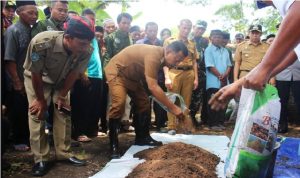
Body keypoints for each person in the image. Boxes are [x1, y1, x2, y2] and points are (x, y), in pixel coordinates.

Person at [23, 16, 95, 176]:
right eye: (82, 43)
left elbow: (75, 72)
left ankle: (64, 153)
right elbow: (35, 73)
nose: (86, 47)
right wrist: (41, 100)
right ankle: (41, 158)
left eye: (88, 43)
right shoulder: (42, 42)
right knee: (37, 114)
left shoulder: (86, 49)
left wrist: (62, 96)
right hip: (38, 79)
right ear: (68, 38)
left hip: (62, 80)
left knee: (63, 112)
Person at [209, 0, 300, 112]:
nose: (274, 7)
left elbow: (298, 11)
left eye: (266, 3)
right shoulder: (242, 46)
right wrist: (239, 82)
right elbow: (292, 54)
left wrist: (264, 69)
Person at [105, 41, 188, 158]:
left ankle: (142, 137)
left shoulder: (162, 59)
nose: (177, 63)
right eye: (177, 59)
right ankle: (113, 144)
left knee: (144, 102)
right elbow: (153, 86)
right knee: (119, 104)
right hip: (118, 72)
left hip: (133, 77)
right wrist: (173, 108)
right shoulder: (154, 55)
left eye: (180, 61)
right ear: (168, 51)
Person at [4, 0, 38, 152]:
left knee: (28, 109)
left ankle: (28, 137)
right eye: (30, 13)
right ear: (18, 12)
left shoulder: (32, 30)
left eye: (36, 13)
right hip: (16, 79)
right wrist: (17, 82)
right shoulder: (13, 31)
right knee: (17, 110)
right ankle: (18, 140)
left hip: (30, 78)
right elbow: (9, 59)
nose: (34, 16)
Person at [71, 8, 104, 142]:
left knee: (95, 105)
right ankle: (80, 132)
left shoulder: (94, 37)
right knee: (82, 105)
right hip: (85, 74)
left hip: (98, 75)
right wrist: (82, 73)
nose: (92, 22)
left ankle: (92, 130)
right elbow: (75, 57)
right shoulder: (80, 35)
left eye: (93, 19)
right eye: (89, 19)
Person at [164, 19, 198, 133]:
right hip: (174, 72)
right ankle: (172, 126)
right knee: (172, 99)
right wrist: (167, 77)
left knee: (186, 101)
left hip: (189, 73)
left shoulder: (192, 43)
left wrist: (196, 78)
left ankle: (183, 126)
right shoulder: (169, 41)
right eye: (184, 27)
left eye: (188, 28)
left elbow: (194, 62)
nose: (186, 30)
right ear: (179, 27)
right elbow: (164, 60)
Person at [136, 22, 167, 132]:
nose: (153, 33)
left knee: (160, 101)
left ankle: (160, 124)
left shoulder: (162, 43)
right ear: (146, 30)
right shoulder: (139, 43)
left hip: (159, 77)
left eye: (155, 31)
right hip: (143, 78)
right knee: (144, 101)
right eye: (150, 30)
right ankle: (145, 125)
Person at [205, 30, 232, 131]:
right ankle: (213, 123)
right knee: (214, 102)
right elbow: (210, 66)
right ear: (211, 38)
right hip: (213, 82)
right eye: (215, 36)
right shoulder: (209, 50)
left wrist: (225, 75)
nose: (218, 38)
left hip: (225, 82)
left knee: (223, 102)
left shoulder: (225, 50)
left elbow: (229, 65)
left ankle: (220, 122)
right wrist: (220, 76)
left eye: (220, 37)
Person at [189, 20, 209, 127]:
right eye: (199, 28)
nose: (200, 31)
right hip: (187, 71)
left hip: (201, 73)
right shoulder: (186, 38)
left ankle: (192, 117)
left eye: (203, 29)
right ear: (194, 27)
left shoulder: (205, 42)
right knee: (186, 96)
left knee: (197, 97)